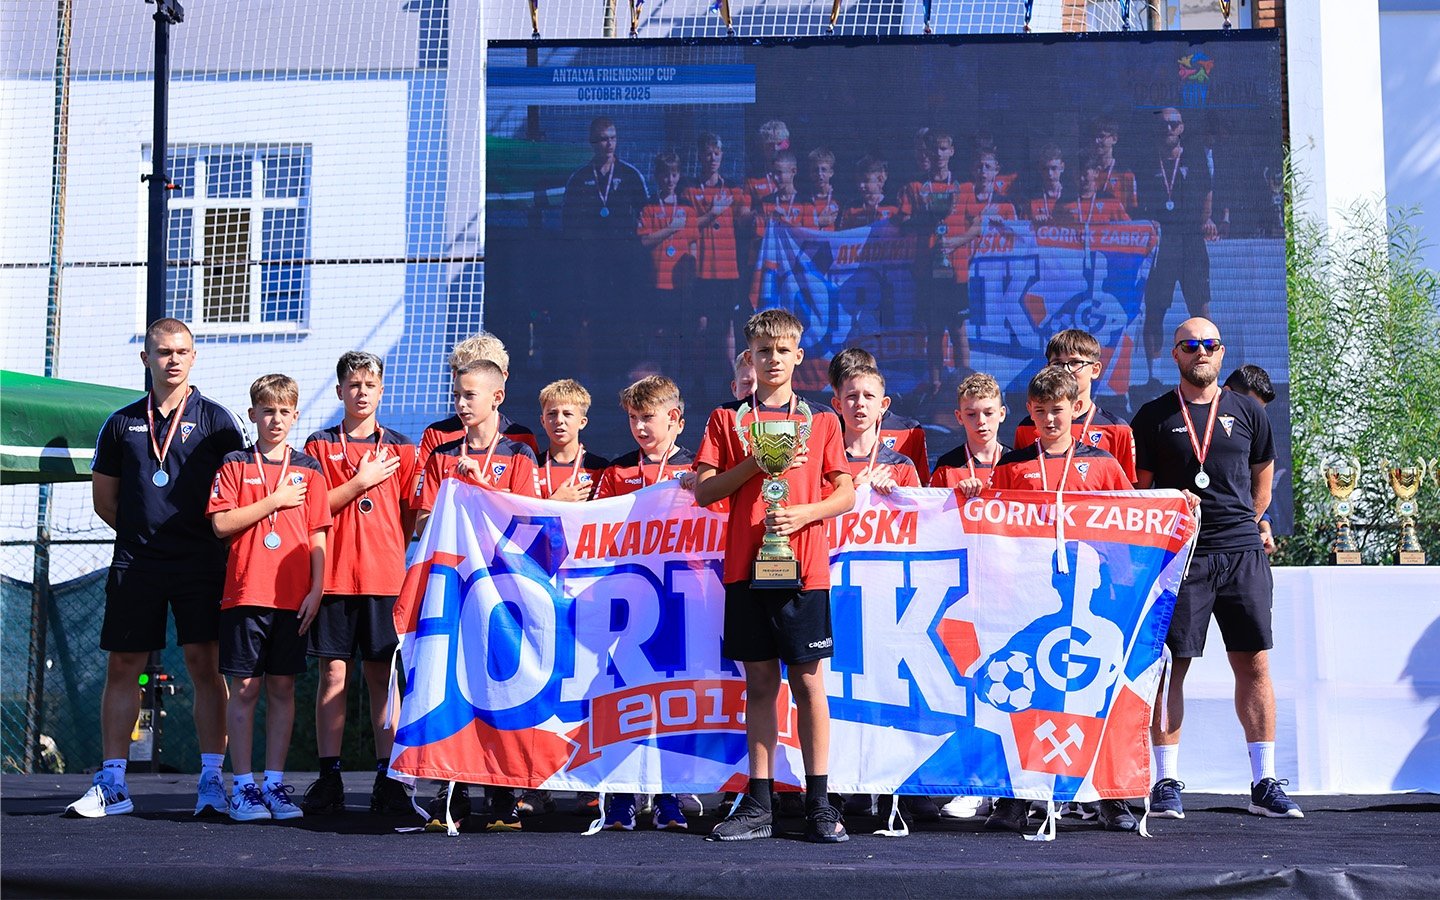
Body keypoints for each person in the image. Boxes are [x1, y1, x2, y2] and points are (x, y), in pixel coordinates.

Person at [66, 317, 245, 819]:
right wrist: (143, 533)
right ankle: (113, 783)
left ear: (194, 357)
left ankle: (212, 781)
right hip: (138, 561)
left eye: (181, 351)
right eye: (163, 351)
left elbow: (236, 491)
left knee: (205, 668)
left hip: (200, 562)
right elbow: (106, 501)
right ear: (146, 358)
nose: (173, 359)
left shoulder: (218, 420)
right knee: (123, 666)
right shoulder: (121, 423)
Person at [694, 309, 856, 843]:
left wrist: (806, 514)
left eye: (783, 351)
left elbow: (846, 492)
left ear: (798, 357)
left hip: (804, 569)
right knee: (759, 683)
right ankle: (759, 803)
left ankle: (819, 804)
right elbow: (704, 491)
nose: (773, 360)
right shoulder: (727, 420)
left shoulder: (823, 421)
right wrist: (754, 467)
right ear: (750, 358)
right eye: (763, 352)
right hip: (745, 568)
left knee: (809, 682)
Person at [1132, 319, 1302, 820]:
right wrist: (1170, 501)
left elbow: (1262, 487)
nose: (1200, 352)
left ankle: (1264, 781)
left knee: (1254, 664)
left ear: (1221, 353)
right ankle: (1164, 781)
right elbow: (1141, 494)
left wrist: (1244, 528)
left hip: (1241, 552)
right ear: (1176, 355)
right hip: (1182, 555)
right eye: (1190, 345)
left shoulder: (1248, 410)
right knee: (1169, 668)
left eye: (1208, 345)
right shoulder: (1154, 415)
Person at [985, 365, 1135, 834]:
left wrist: (1178, 505)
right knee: (1029, 690)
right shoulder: (1012, 468)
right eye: (1042, 411)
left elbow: (1137, 519)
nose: (1051, 419)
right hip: (1032, 601)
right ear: (1029, 412)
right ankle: (1015, 798)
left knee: (1099, 697)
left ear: (1076, 408)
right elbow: (987, 530)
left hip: (1099, 599)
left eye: (1059, 409)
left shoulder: (1104, 464)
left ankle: (1110, 797)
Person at [413, 358, 541, 832]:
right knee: (451, 689)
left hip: (504, 594)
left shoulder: (520, 455)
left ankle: (505, 798)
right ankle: (452, 795)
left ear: (496, 398)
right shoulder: (441, 455)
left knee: (501, 690)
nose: (461, 403)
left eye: (470, 395)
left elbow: (529, 526)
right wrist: (451, 496)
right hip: (453, 590)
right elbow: (423, 523)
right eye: (457, 395)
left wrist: (482, 488)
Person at [206, 374, 331, 822]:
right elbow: (221, 525)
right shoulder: (235, 464)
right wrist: (275, 500)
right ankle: (243, 787)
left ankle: (274, 785)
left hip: (293, 596)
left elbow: (319, 535)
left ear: (295, 416)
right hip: (245, 593)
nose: (275, 419)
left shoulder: (311, 470)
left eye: (284, 411)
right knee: (244, 688)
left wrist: (317, 589)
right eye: (267, 410)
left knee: (282, 687)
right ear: (253, 414)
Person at [300, 352, 419, 817]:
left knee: (381, 678)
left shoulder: (402, 449)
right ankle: (329, 777)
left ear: (382, 390)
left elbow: (409, 516)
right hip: (332, 579)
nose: (362, 391)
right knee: (332, 676)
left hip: (384, 578)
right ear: (339, 392)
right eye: (353, 384)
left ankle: (387, 777)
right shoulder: (318, 446)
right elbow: (311, 509)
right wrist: (359, 482)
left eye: (370, 383)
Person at [588, 375, 698, 831]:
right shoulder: (617, 472)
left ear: (675, 418)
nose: (639, 427)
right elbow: (591, 530)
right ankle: (620, 797)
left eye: (647, 417)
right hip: (630, 603)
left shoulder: (699, 468)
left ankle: (670, 796)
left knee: (675, 698)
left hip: (685, 601)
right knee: (622, 694)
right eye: (633, 418)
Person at [1141, 108, 1217, 383]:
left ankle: (1209, 370)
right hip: (1161, 242)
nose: (1169, 129)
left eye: (1174, 124)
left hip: (1191, 240)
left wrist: (1206, 219)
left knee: (1201, 307)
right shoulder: (1147, 160)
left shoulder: (1194, 156)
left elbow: (1208, 190)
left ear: (1182, 127)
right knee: (1155, 308)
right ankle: (1155, 376)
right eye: (1164, 125)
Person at [561, 116, 649, 353]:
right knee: (594, 314)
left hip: (623, 259)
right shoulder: (579, 179)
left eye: (613, 138)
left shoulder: (631, 175)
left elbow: (647, 215)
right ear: (592, 143)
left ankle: (625, 360)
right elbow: (568, 223)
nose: (609, 144)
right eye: (603, 139)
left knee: (624, 312)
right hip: (592, 260)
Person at [1013, 329, 1137, 484]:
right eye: (1057, 363)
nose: (1066, 370)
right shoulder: (1027, 427)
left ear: (1095, 369)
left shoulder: (1117, 429)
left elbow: (1128, 498)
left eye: (1075, 362)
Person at [416, 333, 538, 477]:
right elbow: (420, 495)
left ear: (502, 377)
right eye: (461, 373)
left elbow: (530, 496)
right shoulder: (437, 433)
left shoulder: (520, 436)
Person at [898, 129, 963, 392]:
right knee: (934, 332)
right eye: (934, 150)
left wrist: (956, 242)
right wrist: (923, 217)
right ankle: (936, 386)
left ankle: (963, 382)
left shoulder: (963, 187)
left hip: (956, 272)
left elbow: (978, 225)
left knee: (959, 331)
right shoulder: (915, 187)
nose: (938, 155)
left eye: (943, 149)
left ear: (952, 151)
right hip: (928, 271)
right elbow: (902, 224)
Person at [682, 133, 748, 385]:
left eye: (716, 153)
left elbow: (744, 221)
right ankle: (697, 381)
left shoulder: (733, 188)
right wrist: (712, 213)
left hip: (728, 269)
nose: (712, 158)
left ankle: (728, 380)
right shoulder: (688, 189)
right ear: (700, 156)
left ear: (722, 156)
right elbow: (687, 226)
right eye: (707, 153)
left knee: (727, 325)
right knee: (700, 324)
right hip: (700, 269)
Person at [827, 347, 929, 483]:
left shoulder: (909, 432)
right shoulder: (825, 437)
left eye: (868, 395)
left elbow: (921, 493)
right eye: (851, 394)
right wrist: (853, 489)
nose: (860, 403)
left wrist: (896, 495)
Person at [638, 151, 697, 373]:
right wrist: (671, 228)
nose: (669, 180)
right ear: (657, 176)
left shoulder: (687, 208)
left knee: (678, 335)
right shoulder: (649, 207)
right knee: (657, 334)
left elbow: (693, 245)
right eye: (665, 175)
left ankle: (678, 383)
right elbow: (644, 240)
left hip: (680, 285)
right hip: (656, 283)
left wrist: (692, 279)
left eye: (674, 175)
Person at [1223, 364, 1278, 554]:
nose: (1255, 417)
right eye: (1250, 408)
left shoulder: (1255, 436)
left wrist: (1263, 528)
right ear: (1227, 392)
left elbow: (1253, 492)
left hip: (1238, 549)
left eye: (1261, 411)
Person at [929, 372, 1009, 496]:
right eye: (971, 414)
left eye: (988, 413)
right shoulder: (946, 466)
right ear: (959, 417)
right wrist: (954, 496)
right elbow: (930, 510)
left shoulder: (1018, 463)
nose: (981, 421)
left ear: (1002, 414)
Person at [535, 379, 609, 502]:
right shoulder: (532, 466)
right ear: (543, 421)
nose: (559, 420)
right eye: (552, 414)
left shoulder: (600, 468)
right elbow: (523, 514)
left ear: (582, 422)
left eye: (567, 414)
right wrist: (555, 502)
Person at [1088, 116, 1139, 214]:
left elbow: (1133, 211)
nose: (1096, 141)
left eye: (1101, 136)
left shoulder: (1125, 174)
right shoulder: (1086, 173)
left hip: (1118, 226)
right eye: (1093, 137)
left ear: (1114, 139)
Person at [840, 155, 898, 228]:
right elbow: (843, 235)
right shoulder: (851, 207)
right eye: (858, 181)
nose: (861, 185)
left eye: (866, 180)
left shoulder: (893, 206)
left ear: (880, 180)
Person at [1024, 144, 1070, 225]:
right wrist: (1033, 222)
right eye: (1045, 169)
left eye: (1054, 168)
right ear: (1040, 169)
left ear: (1062, 167)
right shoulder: (1032, 199)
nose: (1049, 173)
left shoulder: (1071, 195)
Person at [804, 147, 841, 231]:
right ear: (810, 173)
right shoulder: (803, 198)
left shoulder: (839, 199)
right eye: (815, 170)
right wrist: (818, 222)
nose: (819, 174)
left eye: (823, 170)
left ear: (831, 173)